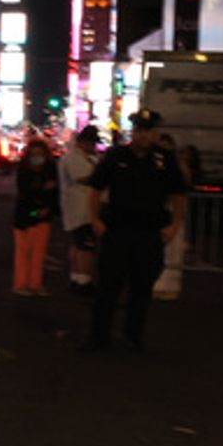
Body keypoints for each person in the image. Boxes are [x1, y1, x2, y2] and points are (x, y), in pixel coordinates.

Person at [79, 109, 186, 352]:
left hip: (150, 234)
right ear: (133, 132)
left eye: (147, 131)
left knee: (142, 288)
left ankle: (133, 336)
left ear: (156, 133)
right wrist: (94, 219)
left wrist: (175, 225)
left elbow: (179, 193)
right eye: (138, 130)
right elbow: (95, 188)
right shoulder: (116, 156)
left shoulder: (165, 160)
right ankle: (98, 337)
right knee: (108, 287)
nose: (142, 135)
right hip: (117, 231)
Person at [13, 138, 59, 295]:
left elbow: (53, 194)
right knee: (24, 251)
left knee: (39, 253)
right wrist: (43, 190)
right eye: (33, 154)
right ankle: (21, 284)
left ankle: (35, 283)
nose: (37, 157)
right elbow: (25, 196)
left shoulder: (50, 170)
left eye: (40, 154)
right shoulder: (24, 171)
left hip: (42, 217)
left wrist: (47, 208)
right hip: (26, 218)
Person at [58, 125, 100, 295]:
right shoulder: (74, 158)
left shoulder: (81, 157)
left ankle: (76, 277)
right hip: (81, 209)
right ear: (84, 142)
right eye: (92, 143)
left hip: (80, 209)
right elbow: (84, 178)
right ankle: (84, 281)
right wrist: (102, 173)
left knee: (78, 245)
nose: (94, 147)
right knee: (85, 247)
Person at [151, 133, 191, 301]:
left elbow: (184, 186)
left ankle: (170, 285)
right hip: (158, 210)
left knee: (173, 249)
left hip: (172, 210)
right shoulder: (153, 164)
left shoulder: (177, 166)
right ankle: (158, 283)